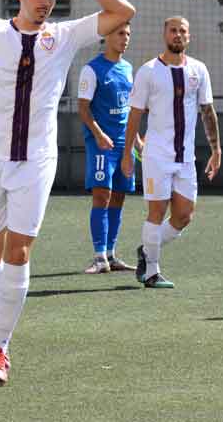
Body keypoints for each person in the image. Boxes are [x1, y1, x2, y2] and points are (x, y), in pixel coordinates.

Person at [0, 0, 135, 384]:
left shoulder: (63, 36)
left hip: (36, 162)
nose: (46, 0)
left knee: (19, 251)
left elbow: (123, 12)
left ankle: (0, 347)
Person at [121, 16, 221, 289]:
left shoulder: (199, 70)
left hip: (186, 158)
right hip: (156, 156)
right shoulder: (149, 71)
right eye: (173, 30)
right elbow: (135, 114)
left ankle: (145, 250)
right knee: (156, 211)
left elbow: (207, 111)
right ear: (164, 35)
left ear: (189, 37)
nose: (178, 35)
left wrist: (216, 149)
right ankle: (152, 271)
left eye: (183, 31)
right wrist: (128, 151)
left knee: (184, 216)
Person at [78, 22, 143, 274]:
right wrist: (99, 134)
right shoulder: (92, 69)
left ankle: (112, 255)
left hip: (124, 145)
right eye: (120, 33)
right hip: (101, 144)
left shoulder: (127, 69)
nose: (125, 38)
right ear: (106, 36)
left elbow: (129, 110)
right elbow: (83, 108)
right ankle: (98, 257)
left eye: (128, 34)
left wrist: (136, 140)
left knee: (119, 197)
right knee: (102, 196)